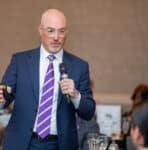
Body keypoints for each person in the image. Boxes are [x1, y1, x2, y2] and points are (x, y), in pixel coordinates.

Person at [0, 9, 95, 150]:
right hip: (22, 142)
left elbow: (89, 112)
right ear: (40, 30)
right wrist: (1, 99)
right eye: (50, 31)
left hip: (60, 144)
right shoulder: (20, 62)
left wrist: (76, 95)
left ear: (66, 33)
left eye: (61, 31)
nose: (56, 37)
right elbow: (4, 96)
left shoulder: (79, 66)